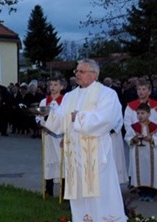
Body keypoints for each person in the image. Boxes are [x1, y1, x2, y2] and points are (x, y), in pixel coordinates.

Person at [38, 59, 126, 222]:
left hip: (96, 154)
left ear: (94, 74)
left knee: (99, 191)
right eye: (76, 71)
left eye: (81, 71)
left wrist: (78, 117)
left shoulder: (107, 94)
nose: (77, 74)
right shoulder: (70, 96)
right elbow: (61, 121)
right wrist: (48, 114)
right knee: (78, 192)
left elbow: (106, 120)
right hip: (74, 154)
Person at [37, 77, 64, 197]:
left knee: (61, 161)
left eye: (56, 84)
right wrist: (40, 123)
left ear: (61, 87)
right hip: (47, 135)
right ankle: (48, 190)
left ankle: (64, 191)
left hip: (59, 137)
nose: (52, 87)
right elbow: (38, 116)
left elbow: (64, 118)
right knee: (48, 160)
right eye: (51, 85)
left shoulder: (65, 101)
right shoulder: (44, 101)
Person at [125, 103, 157, 201]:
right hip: (138, 154)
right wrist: (133, 139)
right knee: (140, 172)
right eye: (138, 113)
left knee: (151, 171)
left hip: (151, 153)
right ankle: (142, 192)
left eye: (142, 113)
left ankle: (151, 193)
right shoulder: (133, 127)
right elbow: (127, 137)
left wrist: (151, 139)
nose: (140, 115)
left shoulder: (154, 127)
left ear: (149, 114)